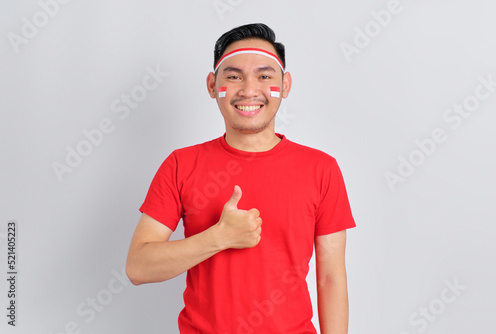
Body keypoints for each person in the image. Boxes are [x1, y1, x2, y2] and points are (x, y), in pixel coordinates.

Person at [126, 23, 356, 334]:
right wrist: (218, 238)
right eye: (234, 76)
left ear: (285, 85)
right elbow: (138, 267)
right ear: (211, 85)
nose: (249, 90)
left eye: (264, 76)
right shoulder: (181, 164)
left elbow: (330, 277)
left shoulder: (321, 169)